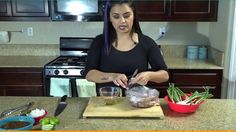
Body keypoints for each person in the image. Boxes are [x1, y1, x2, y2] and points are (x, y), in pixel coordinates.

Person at [85, 0, 169, 95]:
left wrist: (149, 75)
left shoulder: (147, 43)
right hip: (107, 102)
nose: (122, 21)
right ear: (109, 18)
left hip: (136, 102)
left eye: (127, 15)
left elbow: (164, 75)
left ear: (134, 15)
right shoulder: (99, 42)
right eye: (116, 17)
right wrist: (112, 76)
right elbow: (89, 74)